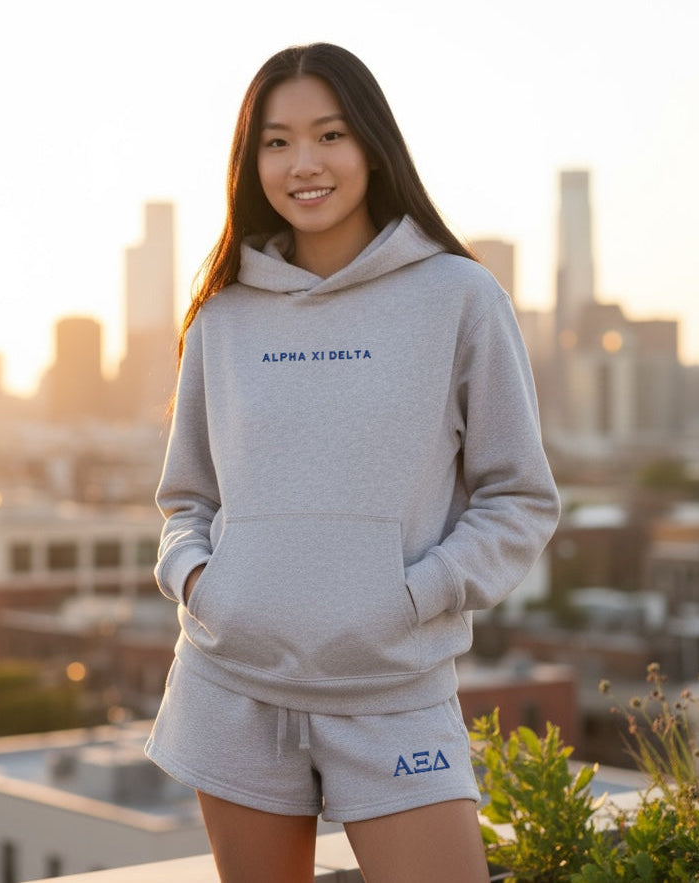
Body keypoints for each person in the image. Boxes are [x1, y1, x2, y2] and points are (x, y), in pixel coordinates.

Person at [145, 42, 560, 883]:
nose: (304, 163)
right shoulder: (222, 315)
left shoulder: (460, 299)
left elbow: (519, 495)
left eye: (329, 134)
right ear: (249, 158)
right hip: (234, 686)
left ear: (372, 143)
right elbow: (186, 497)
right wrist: (199, 579)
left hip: (393, 693)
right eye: (276, 140)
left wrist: (419, 593)